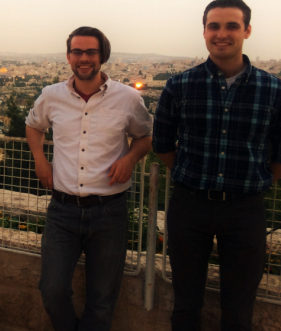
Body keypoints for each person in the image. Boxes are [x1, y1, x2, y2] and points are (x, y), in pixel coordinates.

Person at [152, 1, 281, 330]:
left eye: (232, 26)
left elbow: (280, 152)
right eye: (214, 26)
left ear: (247, 31)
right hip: (189, 205)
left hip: (244, 211)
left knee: (239, 311)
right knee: (185, 304)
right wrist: (191, 175)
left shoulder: (273, 89)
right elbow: (163, 144)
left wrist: (258, 182)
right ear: (205, 31)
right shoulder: (180, 85)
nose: (222, 34)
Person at [26, 27, 153, 331]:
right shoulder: (51, 95)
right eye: (77, 52)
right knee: (52, 290)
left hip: (109, 210)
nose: (84, 58)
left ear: (102, 56)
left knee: (102, 299)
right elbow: (33, 126)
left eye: (91, 52)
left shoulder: (128, 98)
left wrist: (130, 159)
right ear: (69, 56)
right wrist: (41, 161)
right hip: (63, 210)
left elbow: (145, 136)